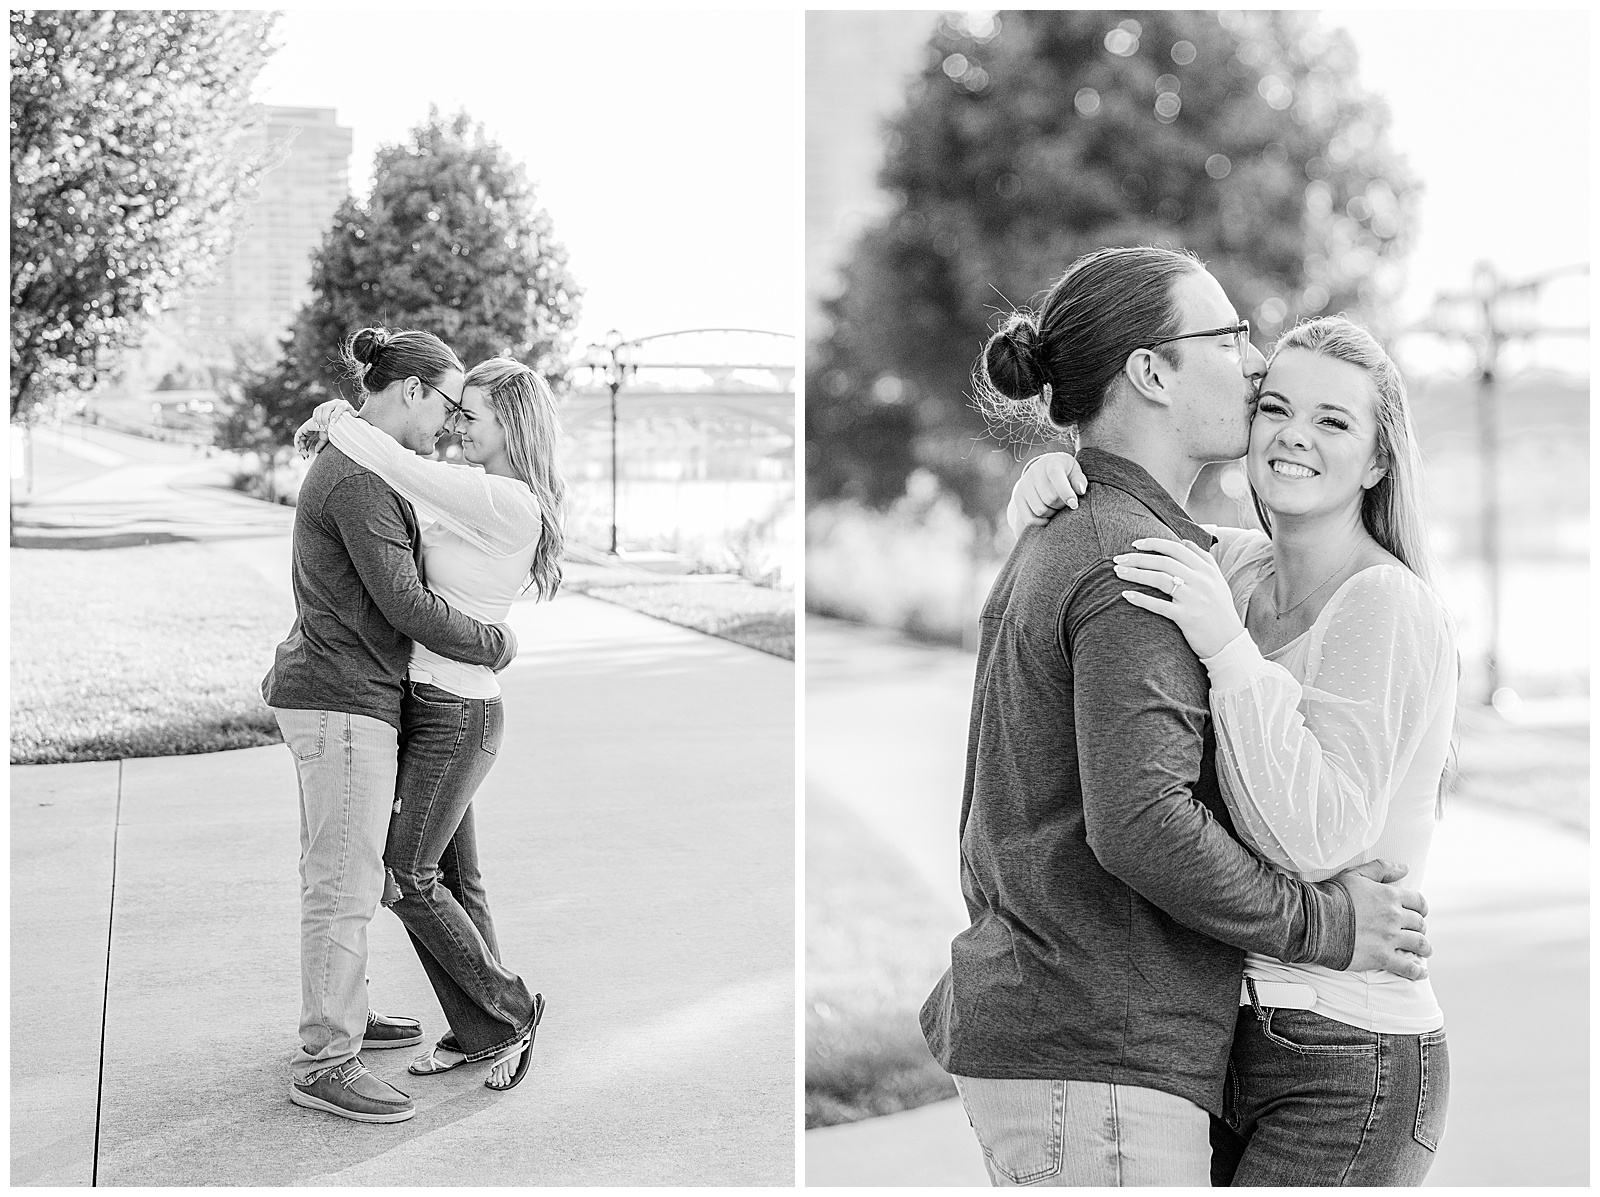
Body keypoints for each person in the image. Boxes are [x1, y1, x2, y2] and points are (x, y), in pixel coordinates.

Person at [918, 246, 1432, 1187]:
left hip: (1286, 1041)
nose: (1252, 366)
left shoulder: (1172, 557)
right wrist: (1327, 924)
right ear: (1152, 371)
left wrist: (1069, 484)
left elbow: (1310, 824)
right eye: (1231, 341)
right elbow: (1146, 825)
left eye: (1332, 419)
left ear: (1378, 457)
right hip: (1101, 1043)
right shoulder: (1154, 561)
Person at [262, 327, 520, 1125]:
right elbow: (406, 602)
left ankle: (346, 1012)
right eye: (447, 404)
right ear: (412, 391)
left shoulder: (367, 464)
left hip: (350, 691)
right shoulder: (361, 480)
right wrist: (497, 642)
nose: (449, 423)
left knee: (345, 871)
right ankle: (325, 1059)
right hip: (342, 698)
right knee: (345, 883)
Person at [296, 353, 564, 1094]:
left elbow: (398, 468)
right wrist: (338, 422)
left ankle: (510, 1011)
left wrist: (340, 419)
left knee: (406, 876)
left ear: (512, 424)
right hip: (434, 703)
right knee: (452, 878)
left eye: (470, 416)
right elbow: (400, 483)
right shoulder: (478, 492)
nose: (455, 428)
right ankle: (481, 1029)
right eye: (455, 411)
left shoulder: (507, 500)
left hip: (456, 711)